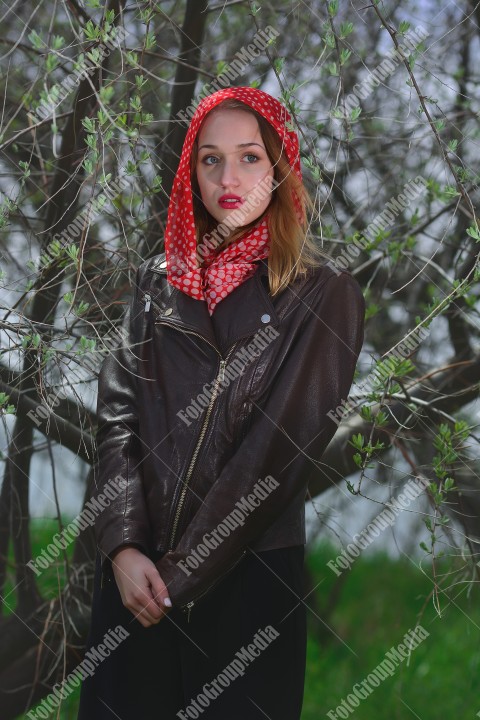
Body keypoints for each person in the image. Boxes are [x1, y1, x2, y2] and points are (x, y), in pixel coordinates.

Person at [77, 86, 364, 720]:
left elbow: (276, 455)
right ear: (191, 171)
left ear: (280, 166)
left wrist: (179, 576)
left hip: (247, 586)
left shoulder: (323, 295)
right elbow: (116, 420)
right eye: (210, 159)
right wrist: (124, 547)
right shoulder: (158, 283)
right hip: (133, 582)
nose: (228, 177)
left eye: (249, 157)